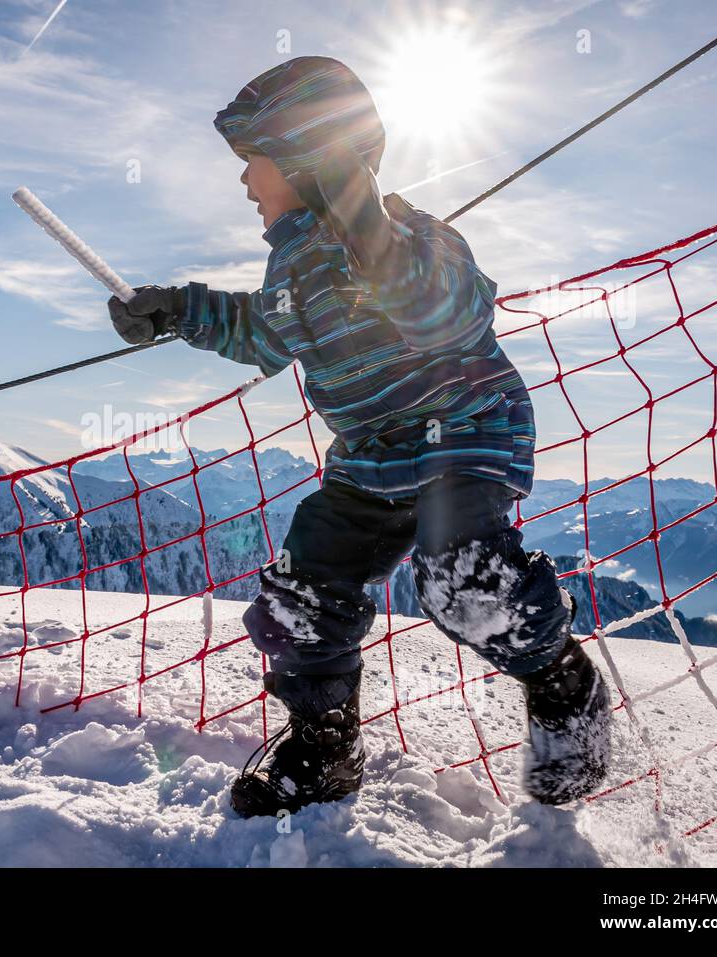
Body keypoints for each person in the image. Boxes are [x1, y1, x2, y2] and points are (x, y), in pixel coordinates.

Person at [106, 56, 611, 816]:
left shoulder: (411, 234)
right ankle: (327, 743)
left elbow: (449, 314)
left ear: (310, 161)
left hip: (463, 436)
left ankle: (561, 683)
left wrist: (371, 231)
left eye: (257, 164)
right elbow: (260, 334)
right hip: (372, 460)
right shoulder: (292, 267)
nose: (246, 183)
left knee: (463, 579)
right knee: (302, 588)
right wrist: (175, 309)